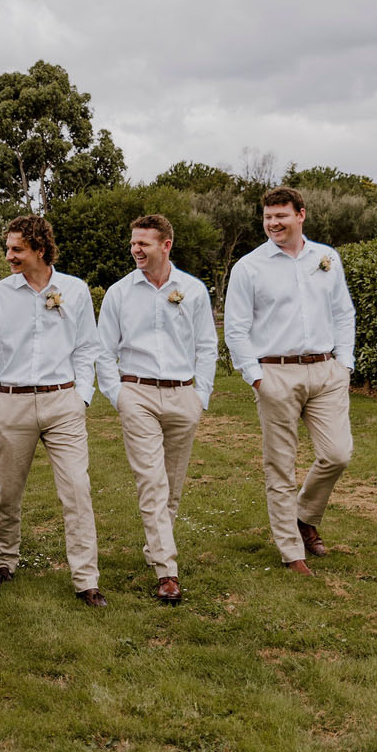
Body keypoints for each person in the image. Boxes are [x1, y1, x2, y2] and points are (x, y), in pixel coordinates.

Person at [0, 215, 106, 607]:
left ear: (40, 250)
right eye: (9, 248)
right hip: (11, 402)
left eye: (17, 249)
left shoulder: (75, 290)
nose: (9, 256)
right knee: (8, 491)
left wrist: (82, 395)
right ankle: (3, 560)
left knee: (77, 490)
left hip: (62, 401)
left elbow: (86, 347)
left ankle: (86, 579)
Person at [224, 187, 356, 575]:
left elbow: (343, 313)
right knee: (280, 466)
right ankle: (291, 549)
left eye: (281, 216)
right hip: (275, 373)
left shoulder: (326, 258)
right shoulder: (249, 267)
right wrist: (255, 377)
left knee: (338, 454)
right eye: (267, 217)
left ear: (301, 215)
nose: (273, 223)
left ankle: (304, 517)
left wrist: (344, 364)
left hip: (326, 370)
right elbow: (236, 329)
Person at [96, 214, 217, 604]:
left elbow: (206, 346)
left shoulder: (194, 290)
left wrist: (202, 396)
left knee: (172, 486)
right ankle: (167, 571)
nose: (136, 249)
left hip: (184, 396)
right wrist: (118, 396)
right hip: (138, 395)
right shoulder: (119, 293)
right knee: (152, 482)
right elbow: (103, 350)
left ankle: (156, 549)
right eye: (133, 243)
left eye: (144, 243)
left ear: (166, 245)